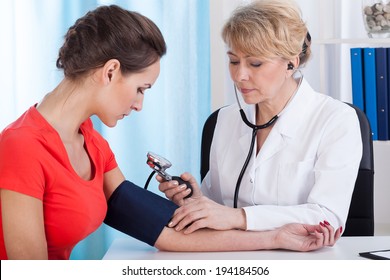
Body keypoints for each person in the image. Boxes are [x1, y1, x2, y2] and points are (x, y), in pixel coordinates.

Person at [0, 4, 340, 260]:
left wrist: (276, 237)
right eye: (141, 88)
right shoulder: (21, 147)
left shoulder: (89, 140)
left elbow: (161, 230)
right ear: (111, 71)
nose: (139, 105)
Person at [159, 0, 362, 236]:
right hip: (230, 255)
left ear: (290, 63)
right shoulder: (225, 119)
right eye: (234, 61)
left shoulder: (336, 120)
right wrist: (195, 201)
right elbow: (217, 205)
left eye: (255, 63)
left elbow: (328, 217)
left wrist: (240, 217)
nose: (239, 75)